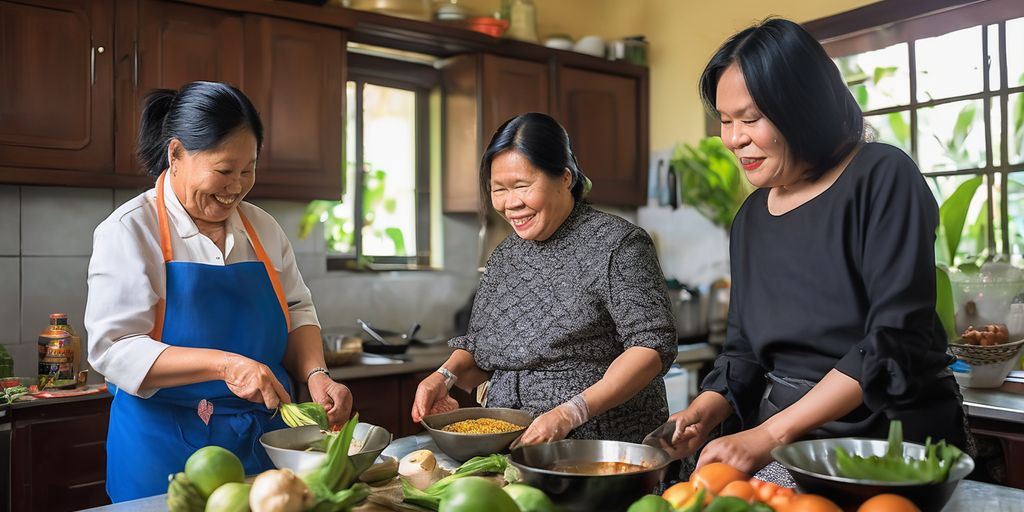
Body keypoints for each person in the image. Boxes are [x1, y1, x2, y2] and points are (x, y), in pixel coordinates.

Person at [663, 18, 969, 478]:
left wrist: (769, 436)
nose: (733, 139)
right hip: (787, 435)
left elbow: (892, 338)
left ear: (803, 110)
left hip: (886, 439)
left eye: (750, 119)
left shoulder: (883, 176)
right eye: (726, 121)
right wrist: (706, 410)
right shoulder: (751, 219)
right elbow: (744, 350)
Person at [85, 81, 353, 501]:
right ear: (175, 155)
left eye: (248, 169)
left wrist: (316, 375)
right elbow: (113, 348)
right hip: (165, 451)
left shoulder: (262, 227)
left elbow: (297, 310)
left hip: (265, 444)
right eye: (225, 170)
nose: (237, 185)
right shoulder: (130, 230)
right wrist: (228, 366)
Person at [410, 112, 677, 445]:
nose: (511, 203)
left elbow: (650, 347)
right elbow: (480, 353)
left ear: (565, 178)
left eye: (522, 186)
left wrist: (571, 412)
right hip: (512, 445)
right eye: (499, 190)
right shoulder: (505, 256)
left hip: (598, 446)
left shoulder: (617, 243)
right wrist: (444, 376)